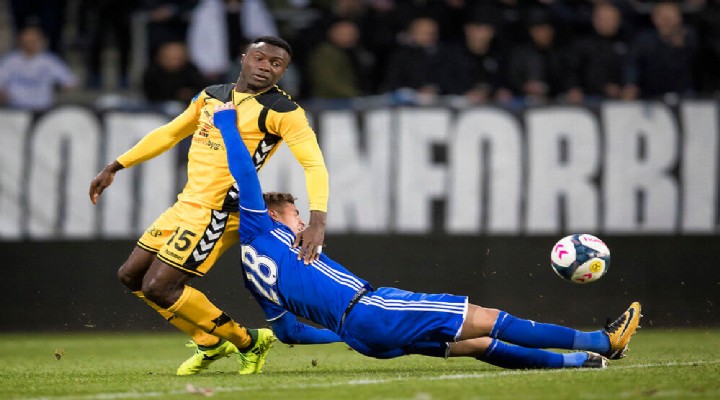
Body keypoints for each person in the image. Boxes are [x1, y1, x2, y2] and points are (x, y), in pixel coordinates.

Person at [214, 101, 643, 370]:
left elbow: (290, 333)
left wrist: (341, 333)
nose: (302, 222)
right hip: (373, 310)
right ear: (272, 214)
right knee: (489, 318)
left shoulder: (254, 273)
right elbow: (246, 176)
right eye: (295, 215)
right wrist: (228, 123)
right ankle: (601, 341)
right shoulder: (262, 226)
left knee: (477, 345)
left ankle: (578, 362)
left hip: (363, 337)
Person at [88, 36, 330, 375]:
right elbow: (171, 132)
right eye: (260, 58)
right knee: (131, 276)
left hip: (219, 211)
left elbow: (314, 165)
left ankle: (247, 341)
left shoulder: (282, 111)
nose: (266, 67)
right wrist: (115, 165)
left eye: (276, 64)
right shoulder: (212, 95)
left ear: (283, 72)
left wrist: (317, 221)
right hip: (186, 204)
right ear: (244, 58)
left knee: (159, 287)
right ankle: (209, 340)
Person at [0, 25, 77, 110]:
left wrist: (62, 88)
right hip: (16, 109)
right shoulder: (9, 61)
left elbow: (69, 81)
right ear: (20, 42)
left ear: (40, 41)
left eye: (33, 41)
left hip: (42, 109)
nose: (29, 44)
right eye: (26, 41)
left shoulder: (50, 61)